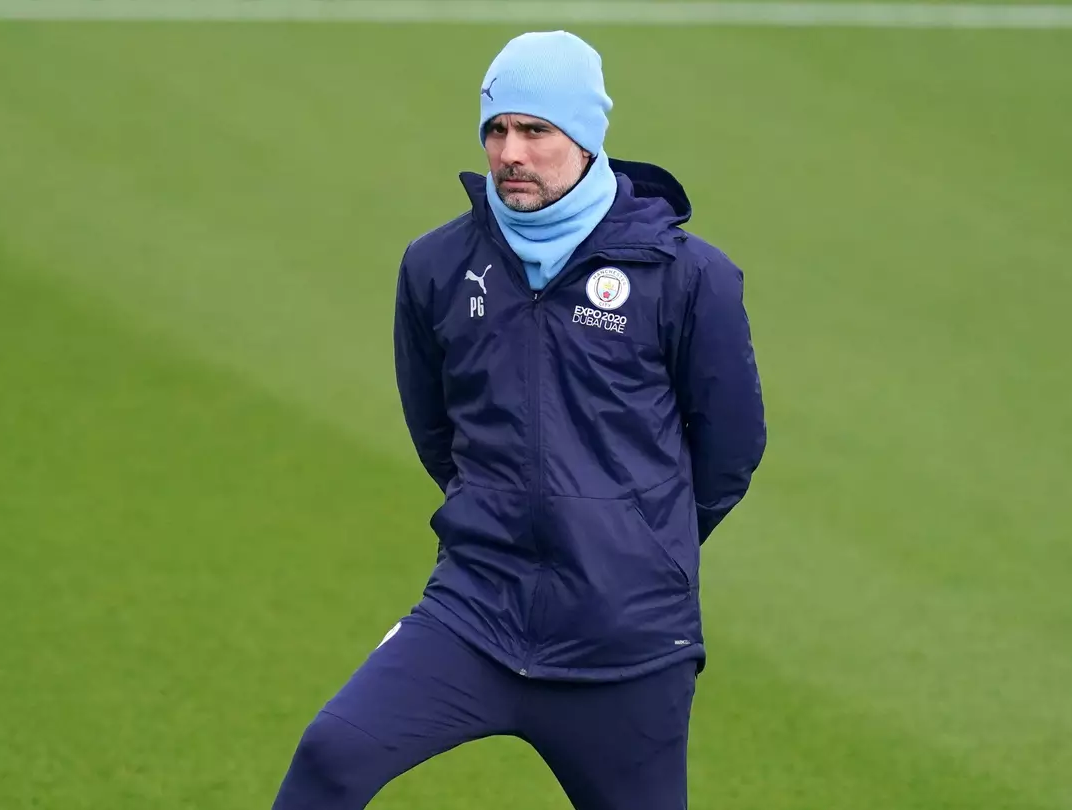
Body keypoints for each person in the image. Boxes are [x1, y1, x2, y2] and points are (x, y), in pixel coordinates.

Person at [271, 30, 766, 810]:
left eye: (536, 131)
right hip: (474, 615)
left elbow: (731, 448)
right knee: (332, 756)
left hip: (624, 642)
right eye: (497, 130)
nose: (511, 152)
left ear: (586, 139)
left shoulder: (688, 276)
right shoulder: (436, 267)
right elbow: (437, 429)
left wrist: (635, 531)